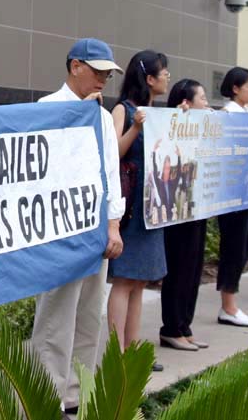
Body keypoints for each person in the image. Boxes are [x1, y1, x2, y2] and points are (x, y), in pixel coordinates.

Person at [31, 38, 124, 418]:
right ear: (75, 66)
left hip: (95, 228)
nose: (103, 79)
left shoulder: (102, 116)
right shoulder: (45, 108)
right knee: (56, 316)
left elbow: (111, 172)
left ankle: (75, 393)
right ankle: (45, 397)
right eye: (97, 70)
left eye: (107, 73)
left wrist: (113, 225)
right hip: (57, 230)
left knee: (89, 316)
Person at [107, 51, 169, 367]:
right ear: (149, 78)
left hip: (153, 205)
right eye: (164, 72)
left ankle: (132, 350)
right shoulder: (124, 109)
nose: (167, 77)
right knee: (124, 279)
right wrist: (135, 128)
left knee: (140, 281)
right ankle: (116, 355)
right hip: (130, 206)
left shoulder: (157, 112)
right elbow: (113, 152)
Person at [159, 79, 211, 351]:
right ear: (186, 102)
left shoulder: (202, 128)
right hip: (178, 208)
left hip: (198, 206)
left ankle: (184, 326)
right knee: (179, 268)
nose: (207, 103)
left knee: (193, 268)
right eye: (202, 98)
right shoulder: (171, 127)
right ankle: (171, 327)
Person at [216, 67, 248, 327]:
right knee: (232, 248)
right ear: (235, 88)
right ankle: (228, 306)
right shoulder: (226, 115)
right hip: (231, 192)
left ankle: (231, 304)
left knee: (241, 249)